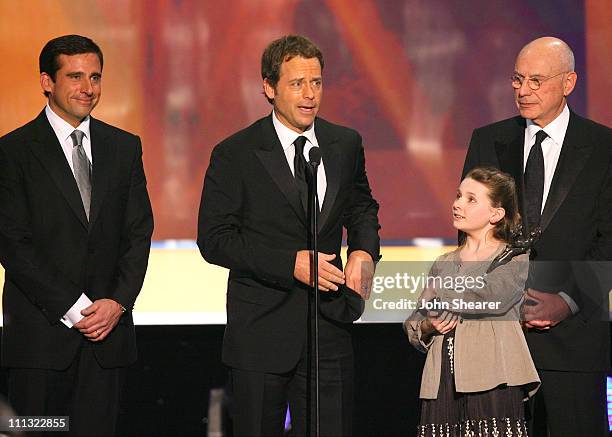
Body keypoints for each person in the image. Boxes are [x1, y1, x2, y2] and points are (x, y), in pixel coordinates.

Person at [197, 34, 380, 436]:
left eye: (316, 82)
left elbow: (362, 206)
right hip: (261, 333)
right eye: (297, 84)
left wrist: (364, 252)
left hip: (329, 326)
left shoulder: (344, 143)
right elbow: (214, 238)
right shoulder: (236, 153)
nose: (310, 94)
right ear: (269, 87)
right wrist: (289, 263)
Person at [0, 35, 153, 436]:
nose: (88, 88)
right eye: (75, 76)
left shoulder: (124, 148)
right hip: (40, 343)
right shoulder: (11, 152)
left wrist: (117, 302)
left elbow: (138, 234)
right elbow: (13, 244)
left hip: (107, 341)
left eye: (95, 77)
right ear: (46, 82)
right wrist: (75, 308)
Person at [462, 37, 612, 436]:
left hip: (575, 342)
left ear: (569, 82)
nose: (523, 90)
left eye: (536, 80)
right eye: (517, 79)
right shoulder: (488, 140)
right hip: (499, 337)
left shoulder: (604, 147)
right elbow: (471, 230)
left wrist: (567, 299)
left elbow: (610, 239)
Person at [406, 167, 540, 436]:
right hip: (443, 378)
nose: (457, 204)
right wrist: (429, 326)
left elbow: (492, 296)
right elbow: (415, 321)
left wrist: (440, 293)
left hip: (493, 375)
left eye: (471, 199)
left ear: (496, 214)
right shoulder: (443, 263)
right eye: (458, 196)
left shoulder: (513, 258)